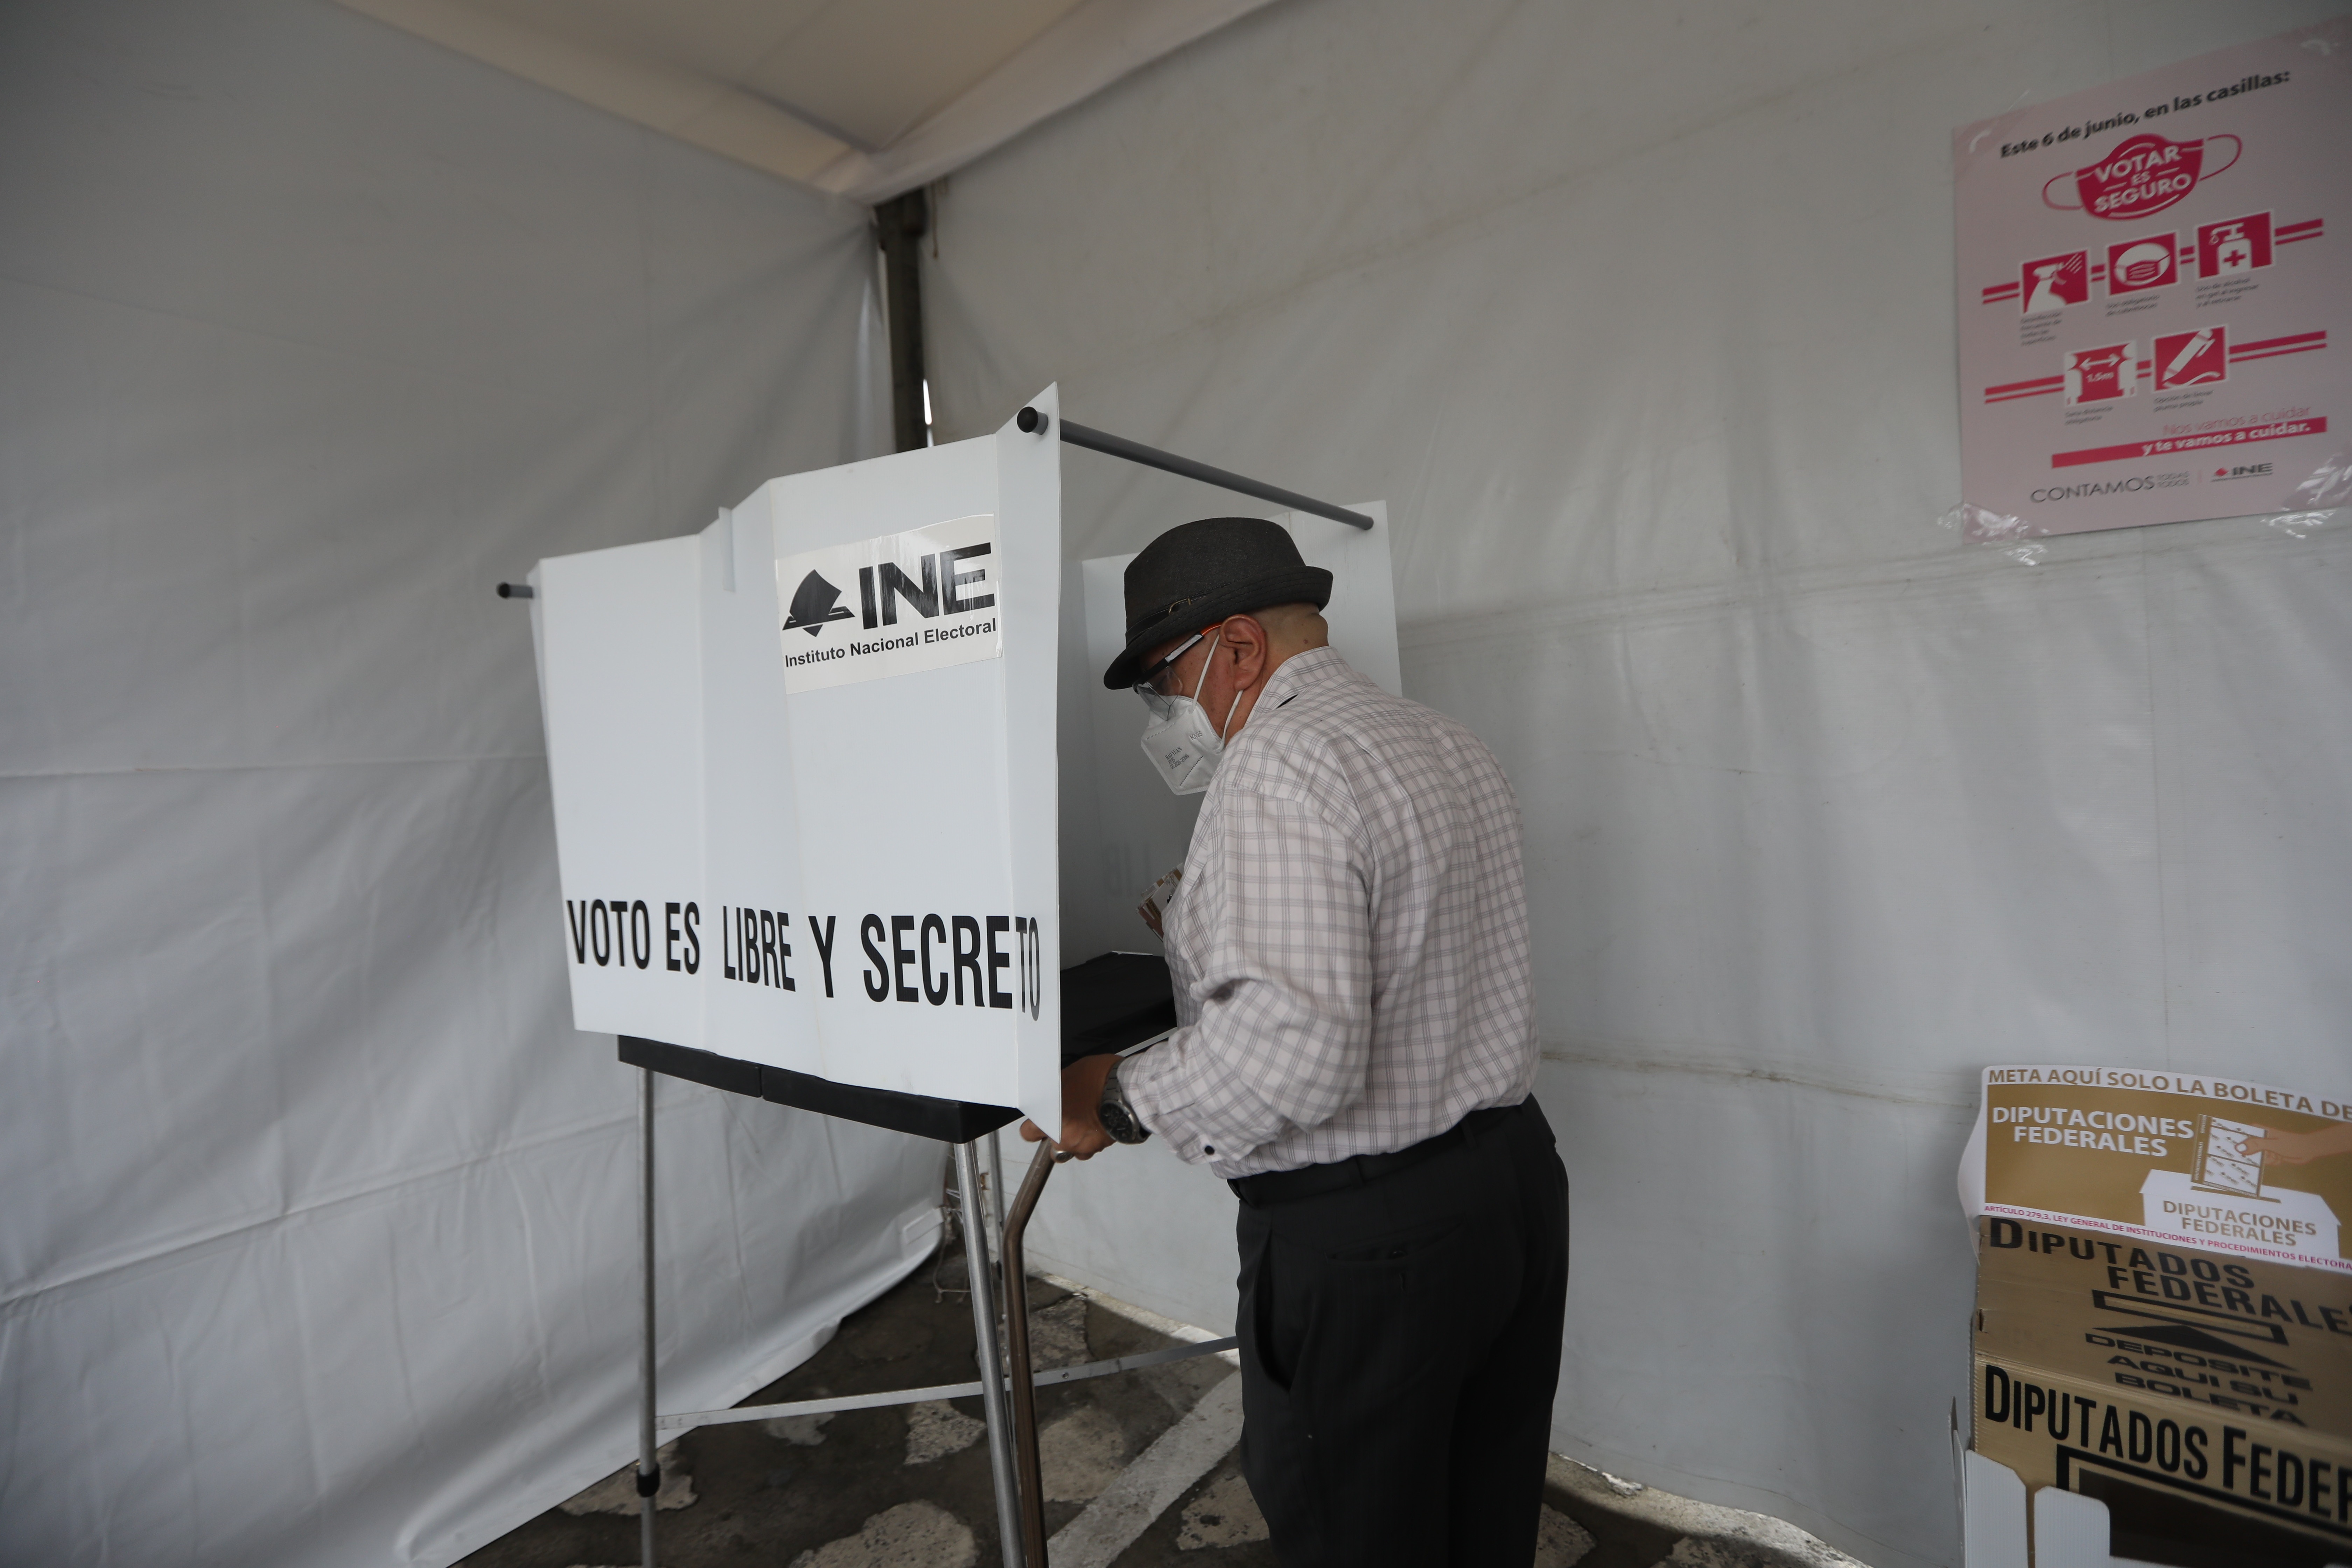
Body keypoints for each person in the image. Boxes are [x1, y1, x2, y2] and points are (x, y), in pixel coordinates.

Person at [1020, 516, 1568, 1567]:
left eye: (1158, 680)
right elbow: (1414, 932)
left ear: (1236, 650)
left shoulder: (1274, 767)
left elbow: (1292, 1053)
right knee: (1480, 1513)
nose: (1160, 712)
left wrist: (1118, 1094)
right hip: (1511, 1193)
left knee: (1359, 1531)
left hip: (1373, 1245)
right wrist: (1199, 914)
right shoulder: (1442, 738)